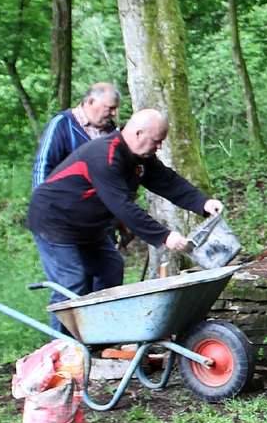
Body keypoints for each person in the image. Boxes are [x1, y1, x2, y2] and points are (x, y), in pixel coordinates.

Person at [27, 109, 224, 333]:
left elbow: (168, 182)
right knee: (72, 281)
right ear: (138, 134)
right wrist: (164, 236)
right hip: (54, 220)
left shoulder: (142, 157)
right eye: (157, 141)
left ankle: (98, 337)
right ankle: (62, 349)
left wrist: (203, 203)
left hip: (88, 226)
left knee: (110, 268)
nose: (159, 147)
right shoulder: (105, 155)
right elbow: (121, 205)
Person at [32, 83, 120, 188]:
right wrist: (42, 202)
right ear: (91, 102)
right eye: (110, 108)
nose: (114, 113)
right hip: (65, 201)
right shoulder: (62, 125)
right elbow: (42, 167)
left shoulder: (112, 131)